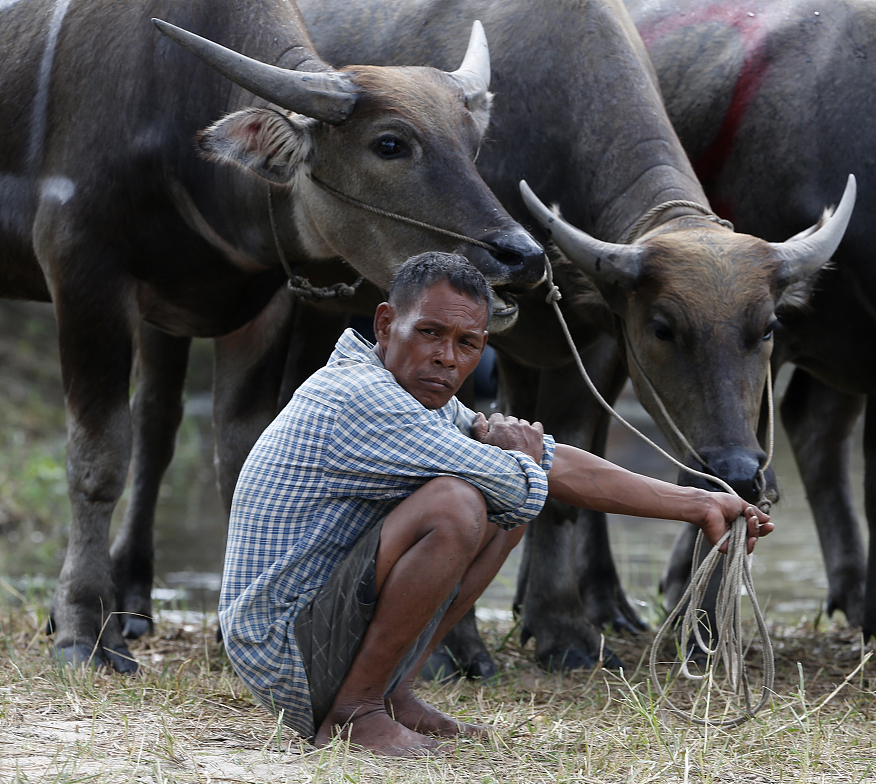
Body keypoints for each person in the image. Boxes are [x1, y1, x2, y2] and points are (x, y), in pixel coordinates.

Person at [218, 251, 771, 757]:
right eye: (430, 333)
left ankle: (392, 692)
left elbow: (555, 465)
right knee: (458, 505)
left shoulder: (417, 394)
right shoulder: (361, 396)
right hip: (282, 651)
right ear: (385, 324)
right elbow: (523, 476)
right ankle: (352, 713)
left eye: (467, 343)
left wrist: (701, 503)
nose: (446, 358)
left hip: (313, 633)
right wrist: (521, 458)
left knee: (502, 507)